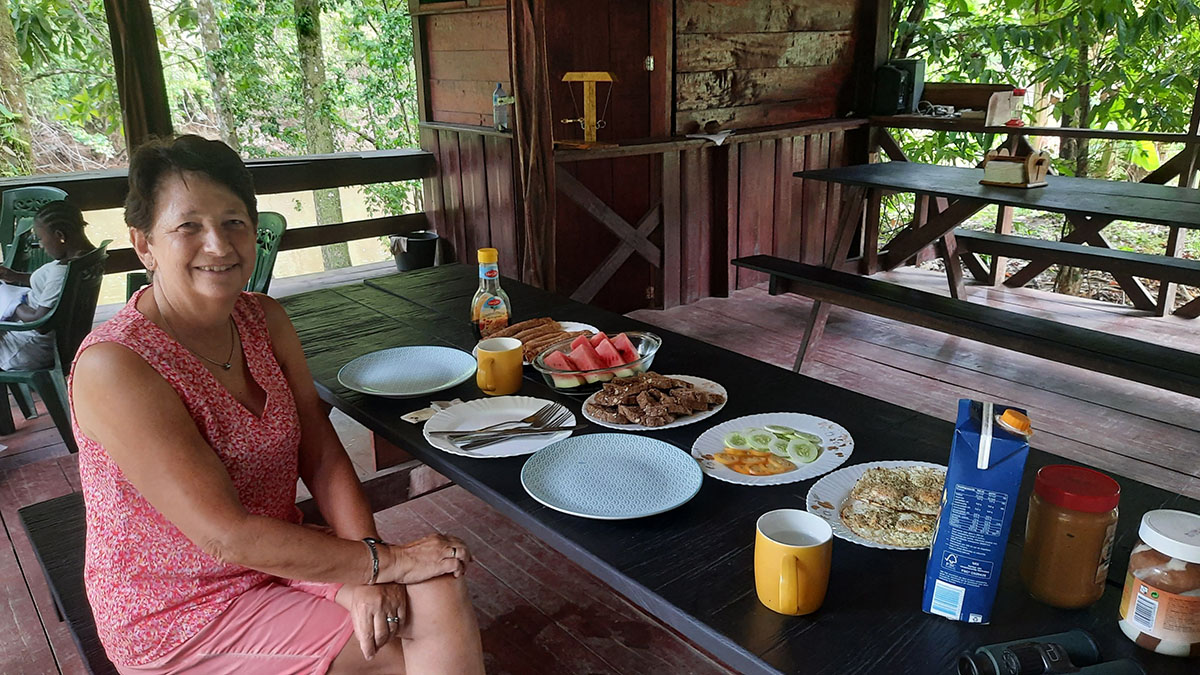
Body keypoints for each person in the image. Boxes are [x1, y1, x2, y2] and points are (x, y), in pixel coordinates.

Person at [69, 135, 484, 674]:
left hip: (280, 561)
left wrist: (369, 567)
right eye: (188, 226)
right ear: (144, 243)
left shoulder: (262, 318)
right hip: (182, 612)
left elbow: (323, 454)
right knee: (407, 646)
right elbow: (225, 537)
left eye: (234, 221)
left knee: (438, 587)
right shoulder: (117, 366)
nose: (218, 245)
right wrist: (385, 562)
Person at [0, 200, 96, 370]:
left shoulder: (63, 272)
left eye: (41, 238)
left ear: (60, 236)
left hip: (28, 346)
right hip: (58, 341)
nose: (41, 245)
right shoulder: (87, 259)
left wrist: (13, 304)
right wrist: (14, 276)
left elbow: (42, 324)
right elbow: (51, 287)